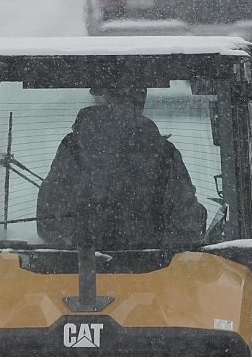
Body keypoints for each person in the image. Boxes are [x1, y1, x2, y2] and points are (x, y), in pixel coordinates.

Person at [35, 84, 206, 249]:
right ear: (139, 103)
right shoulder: (164, 153)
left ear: (102, 98)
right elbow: (188, 223)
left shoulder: (73, 148)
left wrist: (83, 249)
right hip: (154, 271)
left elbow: (50, 219)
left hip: (78, 271)